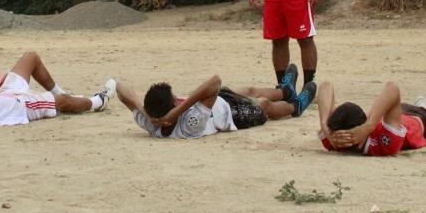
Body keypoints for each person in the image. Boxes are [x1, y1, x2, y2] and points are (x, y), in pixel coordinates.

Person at [116, 67, 318, 139]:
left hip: (216, 102)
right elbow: (214, 83)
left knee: (249, 90)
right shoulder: (189, 125)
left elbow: (120, 88)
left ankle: (285, 91)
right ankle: (295, 106)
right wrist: (177, 112)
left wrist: (145, 113)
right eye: (175, 101)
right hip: (231, 117)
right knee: (262, 104)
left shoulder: (152, 123)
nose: (179, 100)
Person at [0, 51, 115, 127]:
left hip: (3, 93)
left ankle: (59, 91)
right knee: (62, 103)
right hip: (20, 105)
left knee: (31, 57)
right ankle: (99, 101)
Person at [317, 80, 426, 156]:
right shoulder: (337, 137)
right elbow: (325, 86)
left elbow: (326, 86)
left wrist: (369, 126)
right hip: (415, 122)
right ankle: (423, 106)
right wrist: (327, 128)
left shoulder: (380, 142)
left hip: (404, 115)